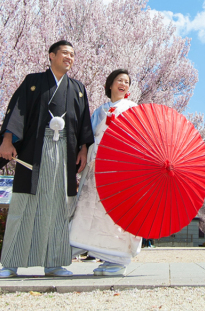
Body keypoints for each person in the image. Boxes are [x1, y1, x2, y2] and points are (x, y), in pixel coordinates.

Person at [0, 40, 94, 278]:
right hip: (35, 152)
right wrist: (8, 140)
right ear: (51, 55)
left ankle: (55, 263)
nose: (69, 58)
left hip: (65, 152)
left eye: (72, 55)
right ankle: (10, 263)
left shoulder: (77, 88)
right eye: (65, 53)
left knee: (60, 206)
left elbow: (84, 124)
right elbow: (17, 111)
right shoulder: (33, 82)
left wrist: (83, 149)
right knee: (24, 203)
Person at [70, 69, 143, 277]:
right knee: (92, 211)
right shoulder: (99, 110)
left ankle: (119, 259)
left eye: (127, 82)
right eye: (119, 80)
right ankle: (105, 256)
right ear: (110, 84)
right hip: (96, 166)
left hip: (118, 167)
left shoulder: (132, 108)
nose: (123, 84)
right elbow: (89, 137)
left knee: (114, 214)